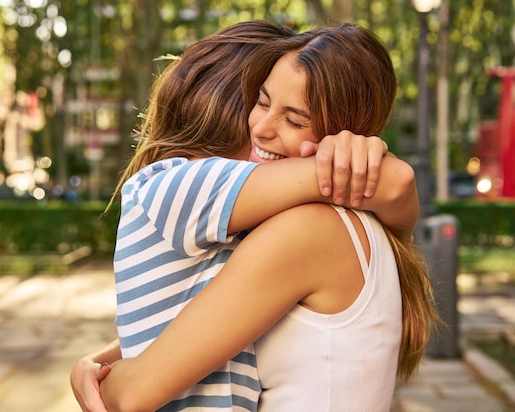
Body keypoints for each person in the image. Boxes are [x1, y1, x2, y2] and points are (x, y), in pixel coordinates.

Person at [71, 21, 426, 412]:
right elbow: (205, 311)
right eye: (259, 102)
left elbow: (134, 392)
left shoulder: (307, 230)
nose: (261, 129)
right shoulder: (181, 189)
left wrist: (102, 374)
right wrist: (104, 361)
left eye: (294, 119)